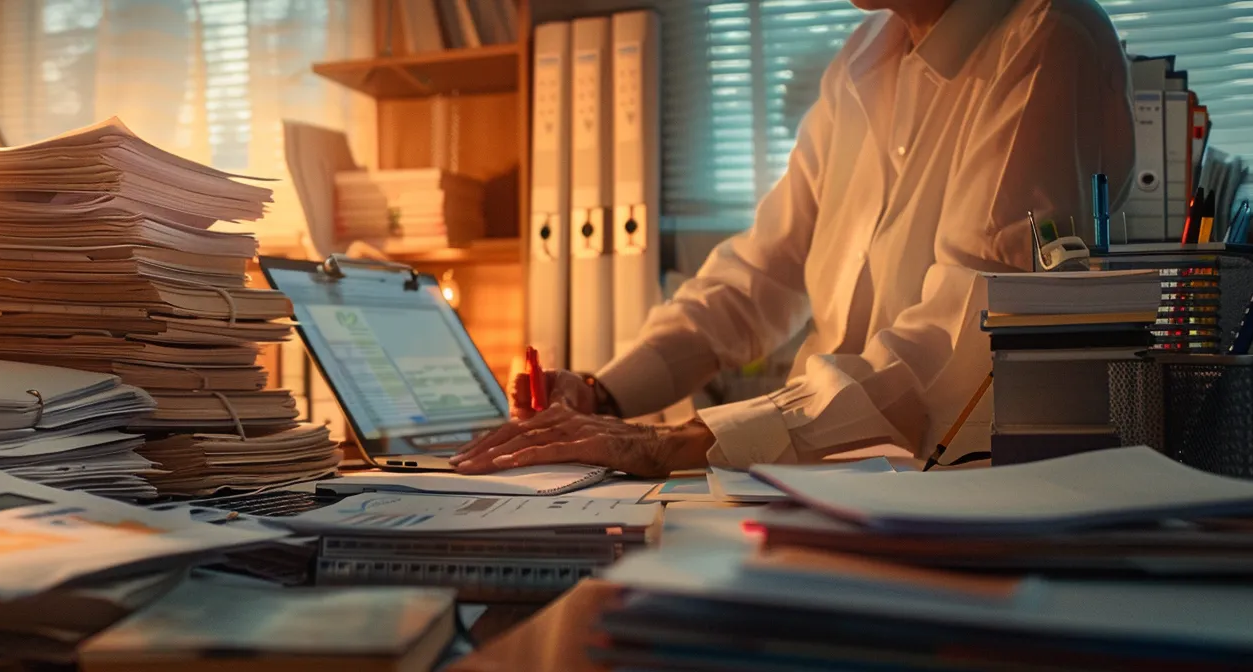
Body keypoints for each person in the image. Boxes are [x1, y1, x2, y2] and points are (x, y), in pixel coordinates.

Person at [452, 0, 1134, 477]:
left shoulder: (1050, 38)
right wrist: (604, 395)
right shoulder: (863, 62)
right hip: (828, 485)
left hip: (952, 490)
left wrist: (672, 441)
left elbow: (953, 342)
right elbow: (761, 274)